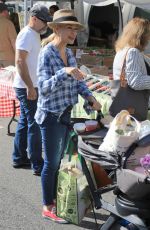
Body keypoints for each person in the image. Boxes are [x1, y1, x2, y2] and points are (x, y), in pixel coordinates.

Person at [35, 9, 101, 223]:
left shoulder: (69, 53)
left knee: (59, 160)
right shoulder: (47, 53)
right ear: (56, 28)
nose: (74, 32)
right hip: (50, 116)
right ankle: (48, 205)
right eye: (69, 28)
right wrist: (63, 72)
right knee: (52, 164)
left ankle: (58, 199)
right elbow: (43, 89)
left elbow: (79, 82)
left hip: (65, 114)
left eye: (75, 28)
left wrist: (90, 98)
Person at [12, 4, 51, 176]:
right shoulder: (27, 34)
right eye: (44, 21)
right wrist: (29, 86)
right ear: (34, 18)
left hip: (28, 85)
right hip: (27, 86)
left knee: (25, 123)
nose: (46, 25)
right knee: (34, 125)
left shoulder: (32, 34)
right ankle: (37, 163)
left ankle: (19, 157)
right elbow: (20, 61)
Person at [111, 17, 150, 119]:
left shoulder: (122, 50)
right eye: (148, 33)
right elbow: (135, 81)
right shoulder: (133, 52)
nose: (149, 37)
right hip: (133, 106)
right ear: (141, 35)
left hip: (121, 101)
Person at [0, 3, 17, 67]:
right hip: (8, 59)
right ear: (5, 11)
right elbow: (14, 41)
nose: (9, 14)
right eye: (8, 12)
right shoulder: (8, 24)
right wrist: (19, 56)